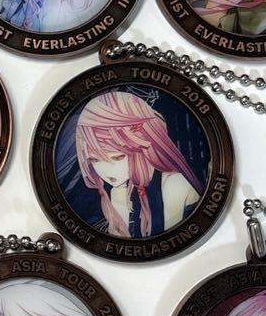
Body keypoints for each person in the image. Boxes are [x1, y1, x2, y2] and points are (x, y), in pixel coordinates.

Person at [74, 89, 203, 238]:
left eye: (118, 157)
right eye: (94, 160)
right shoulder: (119, 191)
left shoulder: (175, 184)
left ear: (144, 149)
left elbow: (164, 243)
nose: (106, 170)